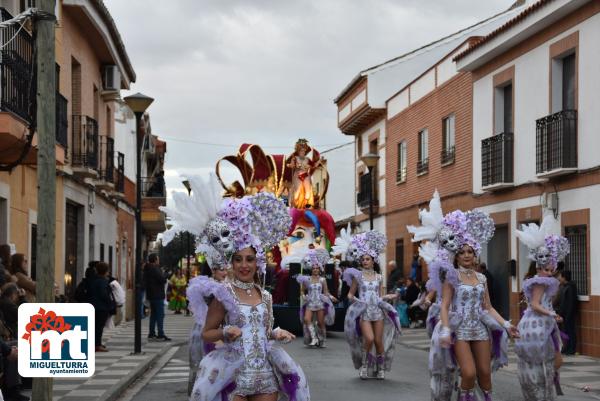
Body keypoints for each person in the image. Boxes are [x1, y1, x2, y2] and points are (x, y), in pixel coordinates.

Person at [161, 174, 309, 401]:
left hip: (264, 375)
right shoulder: (224, 294)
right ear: (231, 262)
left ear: (257, 262)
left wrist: (277, 333)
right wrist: (224, 332)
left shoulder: (265, 296)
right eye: (238, 259)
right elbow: (207, 332)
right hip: (234, 375)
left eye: (249, 259)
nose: (244, 265)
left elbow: (263, 331)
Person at [436, 210, 517, 401]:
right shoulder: (452, 277)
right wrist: (446, 330)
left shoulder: (481, 278)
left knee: (485, 374)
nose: (466, 255)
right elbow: (445, 306)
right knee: (469, 373)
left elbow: (488, 307)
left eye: (470, 252)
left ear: (475, 255)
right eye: (462, 252)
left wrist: (506, 324)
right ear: (455, 256)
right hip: (461, 330)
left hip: (480, 329)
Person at [514, 215, 569, 400]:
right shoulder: (540, 281)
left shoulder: (544, 280)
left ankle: (544, 392)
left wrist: (551, 315)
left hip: (544, 323)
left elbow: (541, 303)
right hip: (537, 325)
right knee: (543, 360)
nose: (549, 266)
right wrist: (551, 314)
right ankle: (538, 393)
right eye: (545, 263)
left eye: (550, 262)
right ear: (539, 263)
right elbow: (536, 305)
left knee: (552, 360)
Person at [343, 230, 401, 380]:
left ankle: (380, 367)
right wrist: (356, 300)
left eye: (367, 259)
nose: (365, 261)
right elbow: (350, 294)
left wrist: (392, 296)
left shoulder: (379, 277)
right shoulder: (358, 277)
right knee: (368, 339)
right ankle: (364, 366)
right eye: (363, 259)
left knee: (378, 341)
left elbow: (381, 296)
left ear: (373, 260)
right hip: (364, 313)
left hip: (378, 313)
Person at [186, 248, 230, 396]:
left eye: (226, 269)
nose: (224, 272)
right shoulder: (207, 287)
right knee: (203, 367)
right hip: (206, 330)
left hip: (222, 331)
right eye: (221, 269)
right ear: (213, 270)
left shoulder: (228, 286)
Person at [297, 248, 337, 347]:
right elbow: (302, 291)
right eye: (314, 268)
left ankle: (323, 340)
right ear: (311, 269)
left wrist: (332, 297)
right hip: (310, 303)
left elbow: (326, 292)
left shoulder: (323, 280)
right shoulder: (306, 279)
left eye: (317, 268)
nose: (315, 269)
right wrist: (303, 296)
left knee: (320, 322)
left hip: (320, 303)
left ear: (319, 269)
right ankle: (314, 338)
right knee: (307, 319)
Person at [87, 262, 114, 352]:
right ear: (105, 271)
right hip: (101, 307)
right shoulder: (102, 281)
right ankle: (97, 345)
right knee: (99, 327)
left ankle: (96, 343)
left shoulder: (94, 279)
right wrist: (110, 302)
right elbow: (104, 294)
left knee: (96, 326)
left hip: (94, 305)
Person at [143, 253, 170, 341]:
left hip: (151, 295)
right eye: (158, 259)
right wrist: (167, 274)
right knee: (160, 315)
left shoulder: (147, 268)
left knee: (153, 315)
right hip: (157, 295)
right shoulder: (154, 268)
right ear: (155, 260)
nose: (159, 260)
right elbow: (162, 279)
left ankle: (151, 333)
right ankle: (160, 334)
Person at [557, 270, 578, 355]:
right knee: (566, 331)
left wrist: (568, 315)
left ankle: (572, 349)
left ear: (564, 277)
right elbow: (562, 302)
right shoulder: (564, 286)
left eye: (560, 276)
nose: (559, 278)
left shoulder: (570, 287)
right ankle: (567, 347)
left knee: (570, 331)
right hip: (564, 314)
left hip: (569, 314)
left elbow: (570, 303)